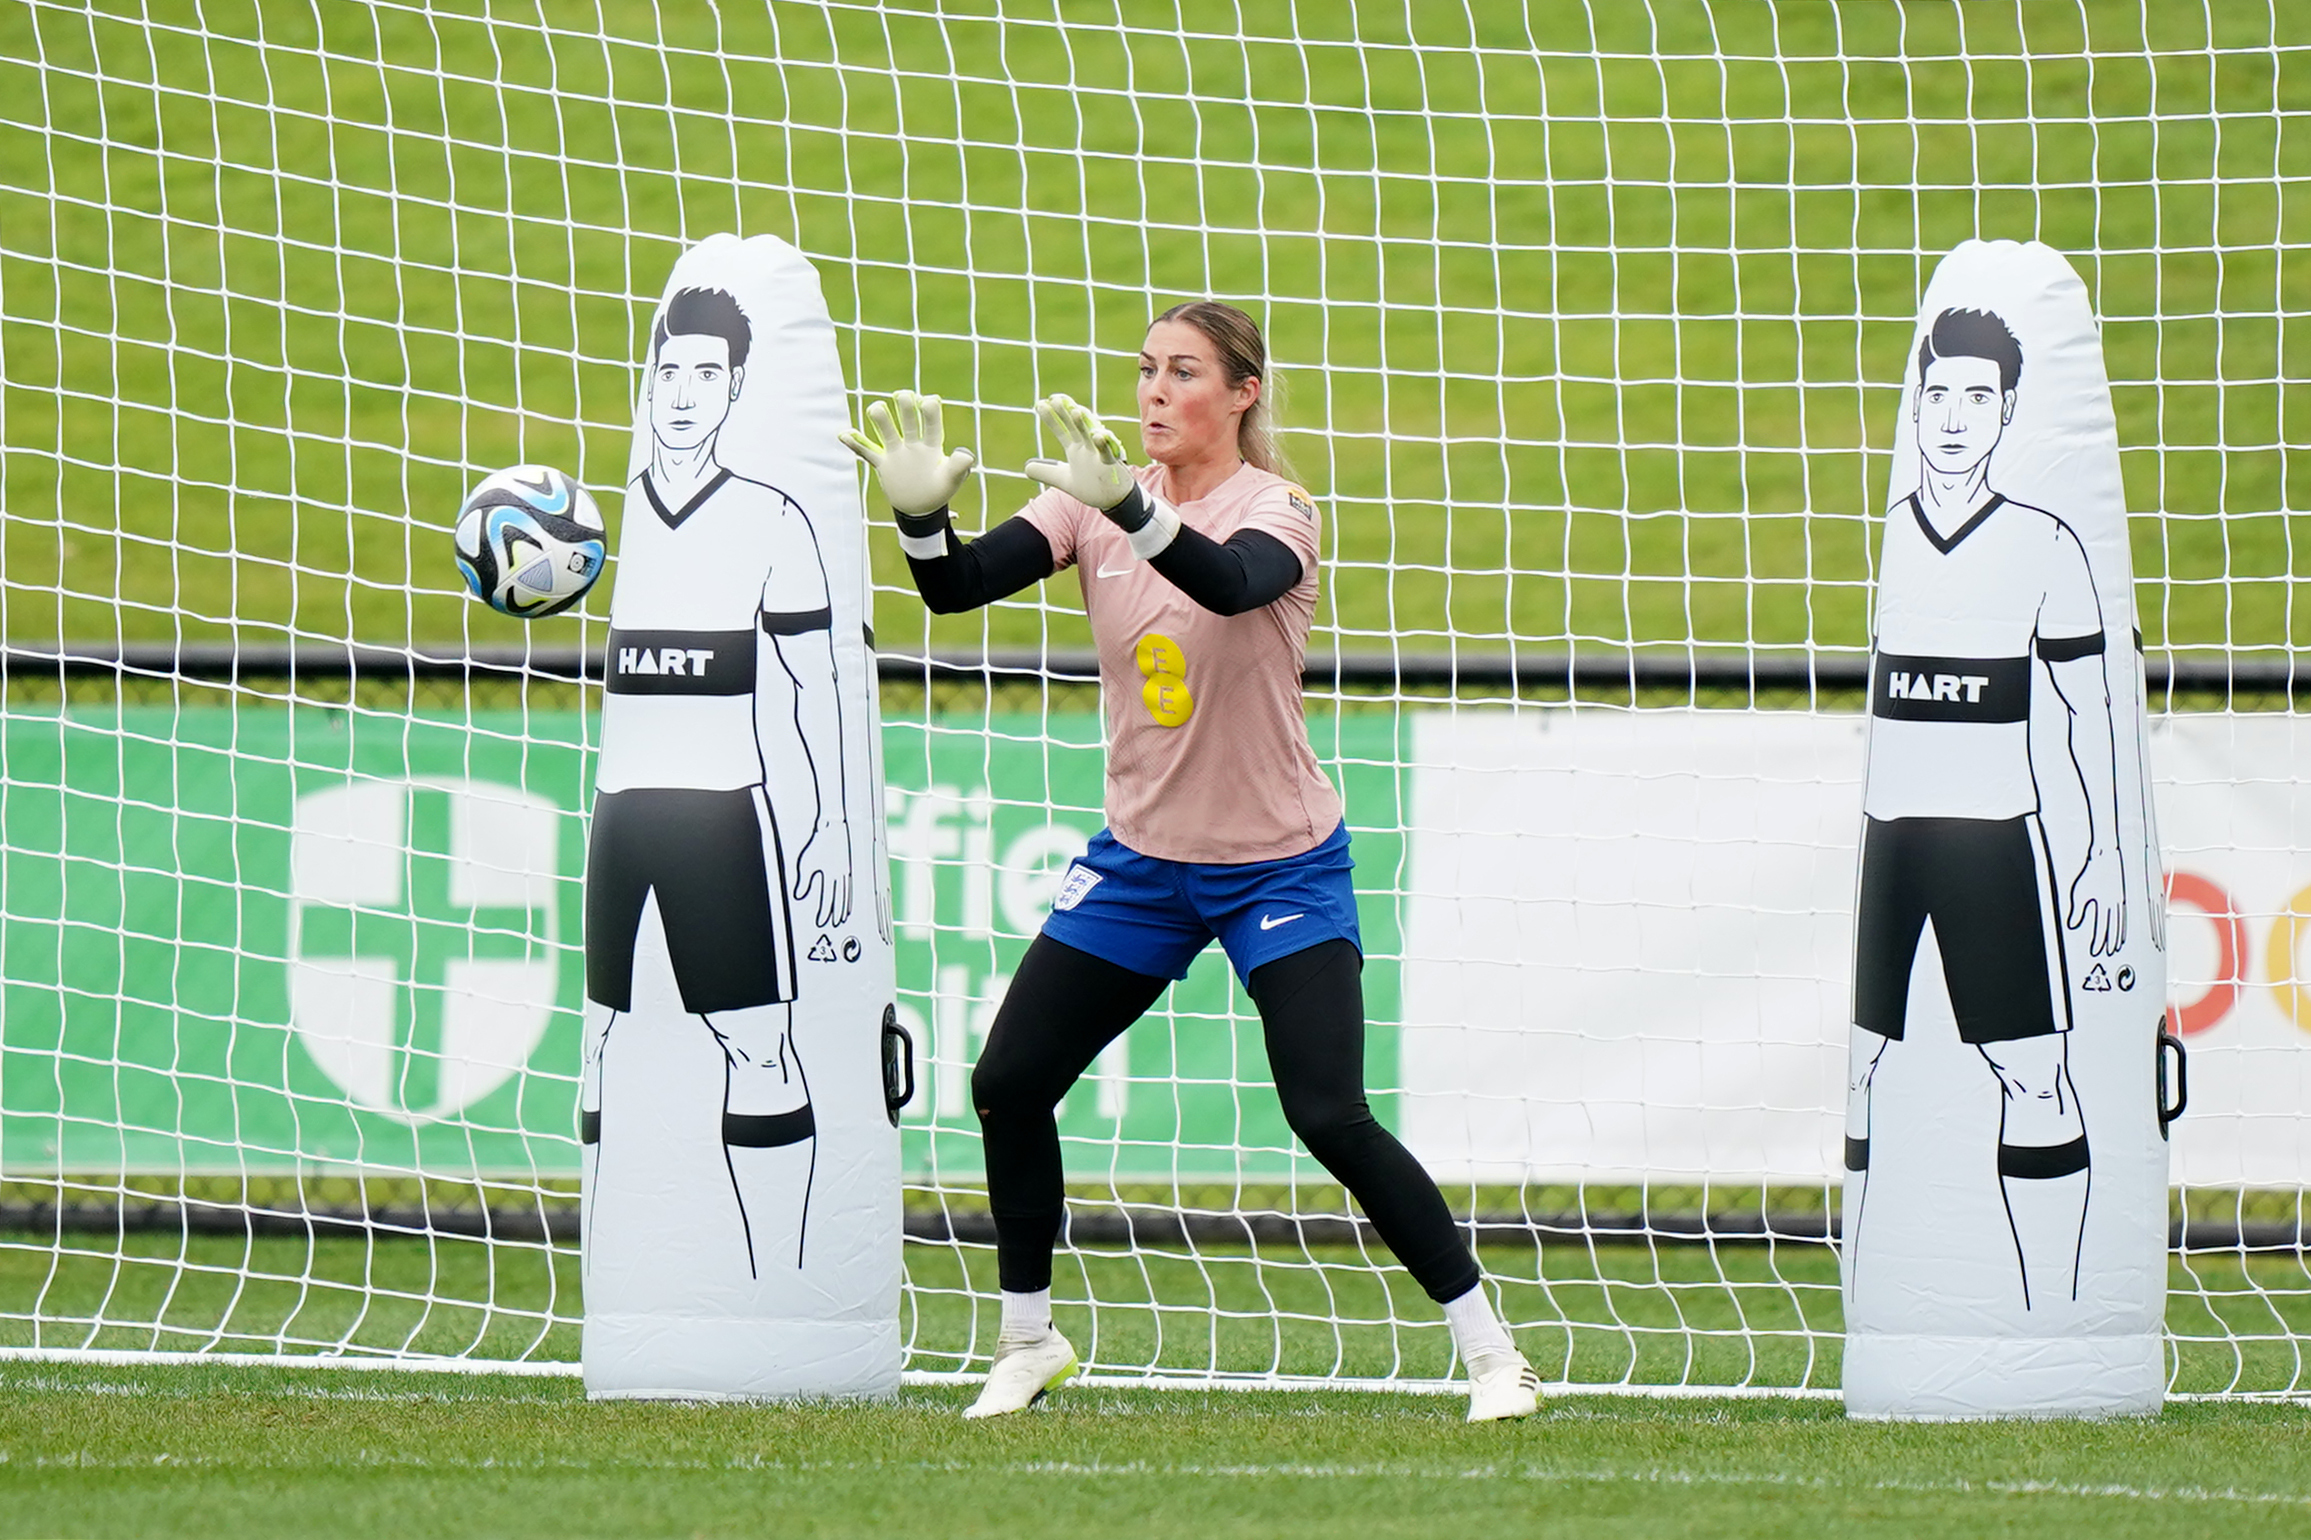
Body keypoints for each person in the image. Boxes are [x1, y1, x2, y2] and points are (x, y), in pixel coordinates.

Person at [843, 301, 1539, 1421]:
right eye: (1143, 371)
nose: (1153, 392)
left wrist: (1126, 504)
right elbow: (954, 588)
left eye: (1182, 373)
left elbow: (1228, 581)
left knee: (1327, 1114)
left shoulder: (1280, 507)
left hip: (1280, 866)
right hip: (1142, 865)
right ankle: (1029, 1337)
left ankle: (1491, 1350)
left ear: (1242, 392)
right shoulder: (1090, 496)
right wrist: (922, 519)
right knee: (1008, 1083)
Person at [1845, 306, 2126, 1309]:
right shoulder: (1880, 540)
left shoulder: (2045, 544)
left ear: (2006, 412)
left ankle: (2054, 1315)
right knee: (1858, 1069)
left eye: (1977, 396)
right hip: (1890, 844)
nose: (1954, 415)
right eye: (1937, 394)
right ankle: (1865, 1309)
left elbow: (2087, 704)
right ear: (1914, 406)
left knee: (2037, 1077)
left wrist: (2101, 855)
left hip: (1995, 845)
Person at [584, 285, 853, 1278]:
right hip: (623, 814)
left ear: (736, 388)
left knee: (758, 1044)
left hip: (723, 822)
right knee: (601, 1038)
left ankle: (776, 1282)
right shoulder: (604, 528)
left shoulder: (771, 518)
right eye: (670, 372)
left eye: (707, 375)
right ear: (648, 384)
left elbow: (814, 682)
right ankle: (612, 1274)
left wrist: (827, 828)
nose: (685, 393)